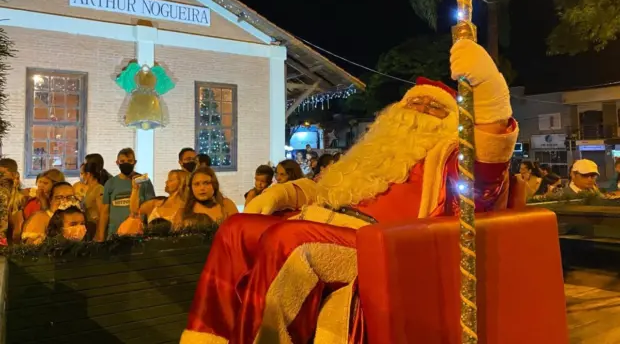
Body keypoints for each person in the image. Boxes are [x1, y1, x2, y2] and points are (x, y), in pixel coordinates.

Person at [181, 40, 520, 343]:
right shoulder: (372, 151)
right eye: (414, 104)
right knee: (235, 230)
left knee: (292, 241)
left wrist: (492, 95)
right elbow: (326, 187)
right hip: (323, 222)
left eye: (434, 108)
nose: (419, 111)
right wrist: (284, 193)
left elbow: (487, 169)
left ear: (449, 123)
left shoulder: (447, 159)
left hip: (376, 243)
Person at [100, 148, 155, 239]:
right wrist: (101, 236)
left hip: (138, 233)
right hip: (115, 234)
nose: (126, 163)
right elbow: (105, 212)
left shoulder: (144, 181)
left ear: (135, 162)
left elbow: (151, 208)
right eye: (122, 161)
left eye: (130, 161)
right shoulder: (110, 183)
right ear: (117, 163)